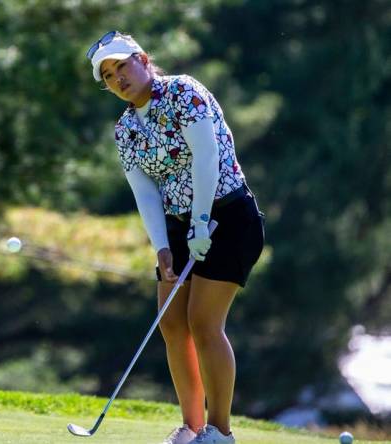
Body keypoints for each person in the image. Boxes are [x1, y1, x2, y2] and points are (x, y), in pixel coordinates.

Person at [87, 31, 265, 444]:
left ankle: (220, 432)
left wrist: (201, 223)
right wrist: (162, 247)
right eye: (109, 76)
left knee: (203, 323)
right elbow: (145, 191)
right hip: (179, 225)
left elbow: (207, 158)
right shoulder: (126, 127)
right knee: (171, 324)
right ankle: (192, 427)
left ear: (144, 59)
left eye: (122, 66)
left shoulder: (185, 92)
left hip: (228, 216)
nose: (119, 79)